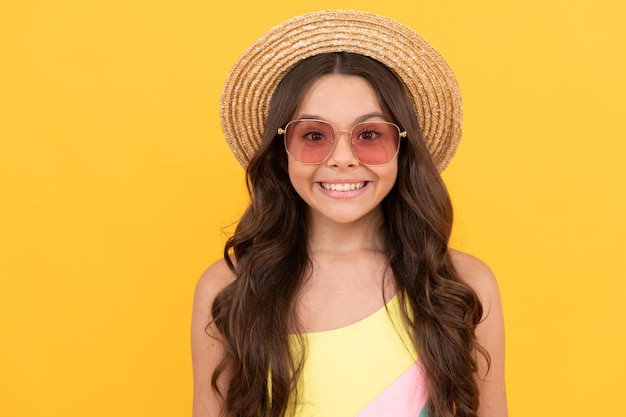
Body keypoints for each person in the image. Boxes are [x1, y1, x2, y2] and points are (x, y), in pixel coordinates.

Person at [191, 10, 507, 417]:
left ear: (402, 148)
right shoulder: (229, 288)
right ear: (280, 151)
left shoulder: (462, 285)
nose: (342, 159)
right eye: (314, 136)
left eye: (369, 135)